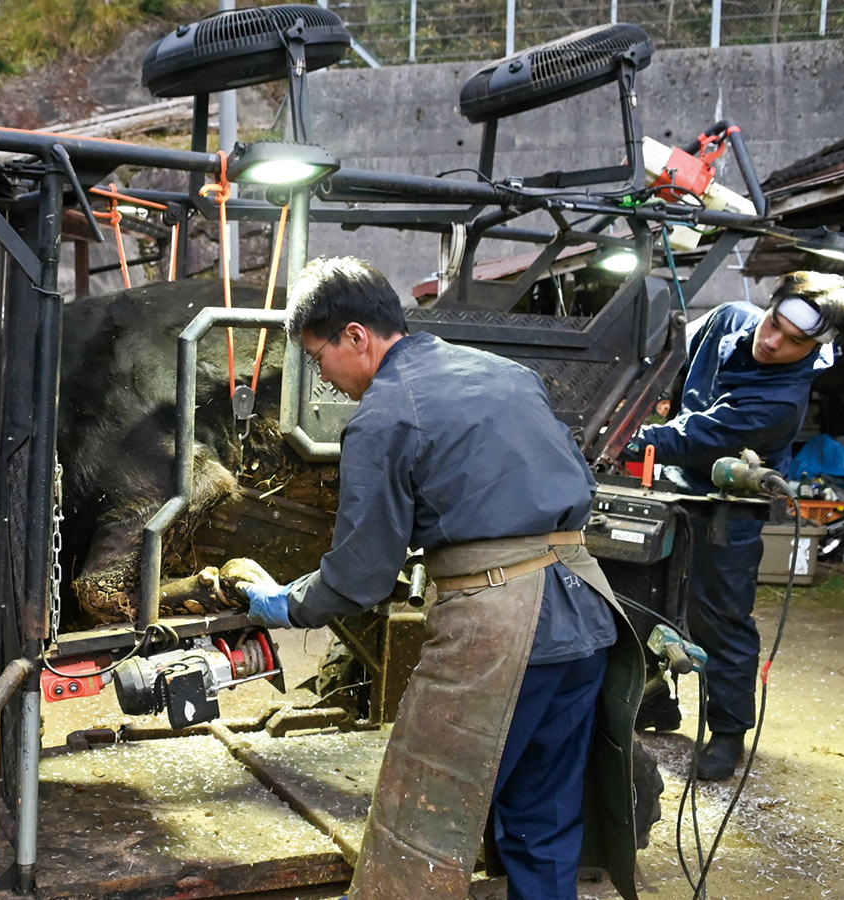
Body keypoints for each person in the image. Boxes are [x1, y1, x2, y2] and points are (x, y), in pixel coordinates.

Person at [231, 256, 643, 900]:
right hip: (586, 610)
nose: (323, 376)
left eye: (317, 358)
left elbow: (362, 575)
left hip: (504, 634)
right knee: (543, 809)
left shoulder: (384, 415)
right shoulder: (508, 374)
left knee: (425, 819)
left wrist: (288, 604)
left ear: (356, 337)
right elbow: (573, 481)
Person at [623, 271, 844, 781]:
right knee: (642, 594)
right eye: (774, 322)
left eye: (794, 341)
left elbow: (689, 439)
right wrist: (653, 402)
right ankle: (655, 700)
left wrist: (616, 434)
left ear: (814, 346)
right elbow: (676, 367)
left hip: (727, 505)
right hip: (669, 485)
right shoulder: (732, 318)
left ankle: (727, 731)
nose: (773, 342)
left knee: (720, 619)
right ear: (769, 305)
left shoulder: (778, 405)